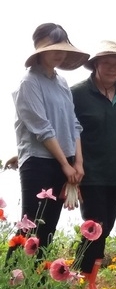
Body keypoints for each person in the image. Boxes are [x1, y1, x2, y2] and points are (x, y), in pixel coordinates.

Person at [7, 23, 89, 263]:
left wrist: (78, 162)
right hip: (38, 161)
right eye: (53, 48)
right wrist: (66, 163)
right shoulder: (29, 82)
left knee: (49, 224)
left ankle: (38, 282)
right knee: (30, 223)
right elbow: (42, 128)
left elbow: (73, 123)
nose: (59, 53)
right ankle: (12, 279)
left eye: (62, 48)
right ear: (39, 50)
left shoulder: (61, 82)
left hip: (64, 160)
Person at [71, 41, 116, 289]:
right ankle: (83, 281)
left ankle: (88, 278)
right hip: (88, 172)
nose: (112, 67)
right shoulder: (77, 93)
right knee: (93, 227)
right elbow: (64, 130)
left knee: (105, 227)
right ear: (95, 64)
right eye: (106, 62)